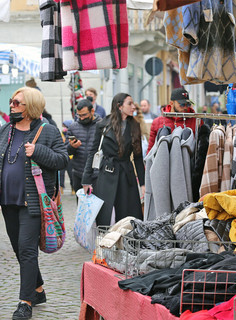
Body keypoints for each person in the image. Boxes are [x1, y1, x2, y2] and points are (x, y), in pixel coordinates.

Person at [0, 87, 68, 319]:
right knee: (20, 250)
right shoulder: (6, 130)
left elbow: (61, 160)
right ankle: (37, 290)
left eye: (17, 103)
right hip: (7, 202)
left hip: (32, 202)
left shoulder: (47, 131)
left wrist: (37, 151)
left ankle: (25, 302)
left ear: (30, 107)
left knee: (28, 251)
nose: (12, 106)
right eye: (11, 102)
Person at [82, 93, 145, 226]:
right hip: (107, 173)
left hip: (126, 175)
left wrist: (143, 184)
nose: (133, 107)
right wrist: (86, 179)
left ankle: (127, 242)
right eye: (130, 104)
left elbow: (138, 157)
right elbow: (93, 152)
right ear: (119, 106)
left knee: (128, 216)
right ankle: (106, 242)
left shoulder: (135, 125)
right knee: (106, 216)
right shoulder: (103, 125)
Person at [65, 98, 101, 196]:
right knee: (81, 207)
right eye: (79, 115)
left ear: (92, 111)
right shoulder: (73, 127)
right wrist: (72, 146)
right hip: (78, 174)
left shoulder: (101, 126)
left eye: (84, 115)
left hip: (97, 175)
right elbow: (66, 151)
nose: (81, 118)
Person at [147, 88, 198, 153]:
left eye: (187, 104)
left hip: (188, 162)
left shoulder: (195, 121)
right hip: (163, 161)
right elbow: (151, 148)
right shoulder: (157, 122)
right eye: (182, 105)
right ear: (171, 103)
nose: (185, 107)